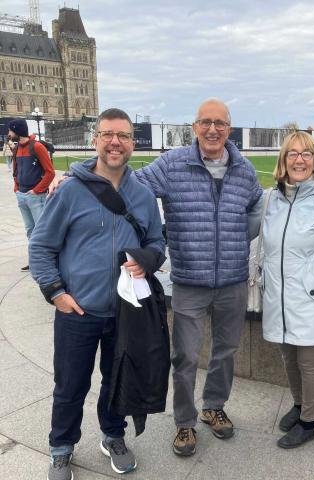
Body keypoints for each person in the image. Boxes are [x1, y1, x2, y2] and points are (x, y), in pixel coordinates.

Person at [29, 108, 166, 480]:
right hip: (78, 310)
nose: (115, 142)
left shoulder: (142, 194)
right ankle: (61, 447)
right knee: (70, 384)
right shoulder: (71, 190)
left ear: (132, 144)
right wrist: (56, 292)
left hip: (125, 310)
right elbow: (41, 246)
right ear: (96, 140)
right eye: (107, 134)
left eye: (122, 135)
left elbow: (156, 241)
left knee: (116, 379)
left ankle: (113, 435)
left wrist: (147, 260)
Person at [132, 98, 263, 456]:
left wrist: (243, 235)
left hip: (233, 280)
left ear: (229, 129)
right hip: (190, 280)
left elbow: (257, 203)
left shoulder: (244, 169)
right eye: (205, 122)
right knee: (186, 357)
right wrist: (78, 175)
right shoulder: (173, 164)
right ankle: (185, 423)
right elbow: (129, 185)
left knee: (226, 352)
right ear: (194, 128)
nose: (212, 129)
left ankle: (213, 407)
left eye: (219, 123)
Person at [261, 131, 314, 448]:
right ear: (283, 161)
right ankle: (299, 406)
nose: (299, 159)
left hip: (312, 299)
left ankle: (309, 423)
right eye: (293, 154)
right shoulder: (270, 200)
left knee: (310, 362)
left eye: (306, 154)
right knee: (288, 357)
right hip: (278, 298)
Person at [7, 118, 55, 271]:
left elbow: (50, 172)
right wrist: (16, 187)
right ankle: (35, 260)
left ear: (18, 131)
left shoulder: (37, 147)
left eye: (10, 130)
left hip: (36, 197)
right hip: (22, 195)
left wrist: (36, 190)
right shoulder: (16, 149)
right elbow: (16, 171)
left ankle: (47, 262)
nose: (8, 133)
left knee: (42, 231)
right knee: (30, 231)